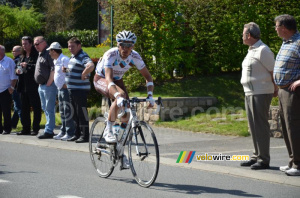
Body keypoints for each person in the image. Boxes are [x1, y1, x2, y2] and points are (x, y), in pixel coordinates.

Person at [94, 30, 154, 168]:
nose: (125, 49)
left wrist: (150, 96)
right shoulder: (111, 54)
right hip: (102, 79)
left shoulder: (135, 56)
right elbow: (109, 78)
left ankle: (119, 150)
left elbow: (148, 77)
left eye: (129, 45)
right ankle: (108, 130)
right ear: (118, 45)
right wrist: (116, 95)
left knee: (126, 115)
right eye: (122, 45)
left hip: (118, 80)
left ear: (133, 46)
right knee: (120, 96)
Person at [239, 22, 277, 170]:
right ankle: (256, 155)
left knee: (260, 125)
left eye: (243, 34)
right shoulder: (251, 50)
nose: (242, 37)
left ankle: (264, 159)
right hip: (250, 92)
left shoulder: (263, 50)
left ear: (249, 35)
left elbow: (274, 71)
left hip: (261, 92)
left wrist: (275, 88)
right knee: (253, 126)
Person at [273, 14, 300, 176]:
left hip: (293, 92)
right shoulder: (286, 43)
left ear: (283, 28)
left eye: (276, 26)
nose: (275, 30)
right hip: (283, 90)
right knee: (286, 127)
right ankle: (292, 160)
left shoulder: (298, 42)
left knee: (294, 127)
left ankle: (298, 165)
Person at [65, 37, 95, 143]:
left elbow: (91, 65)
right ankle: (77, 134)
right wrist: (67, 70)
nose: (70, 48)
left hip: (80, 89)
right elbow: (75, 68)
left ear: (79, 46)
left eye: (72, 46)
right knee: (74, 113)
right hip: (72, 89)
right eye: (69, 46)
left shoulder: (83, 55)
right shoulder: (73, 56)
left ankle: (85, 135)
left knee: (81, 113)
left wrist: (84, 73)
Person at [47, 42, 76, 141]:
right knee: (62, 111)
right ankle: (63, 131)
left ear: (54, 51)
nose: (49, 53)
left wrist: (67, 84)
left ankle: (69, 132)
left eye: (50, 51)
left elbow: (71, 72)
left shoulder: (64, 59)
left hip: (65, 89)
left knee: (67, 111)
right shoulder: (56, 61)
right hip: (60, 88)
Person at [16, 36, 42, 136]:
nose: (24, 46)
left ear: (31, 44)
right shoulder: (22, 56)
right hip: (23, 86)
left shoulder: (36, 55)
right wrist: (18, 69)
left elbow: (38, 67)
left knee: (36, 107)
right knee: (24, 108)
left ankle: (35, 128)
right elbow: (18, 65)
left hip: (33, 85)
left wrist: (28, 66)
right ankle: (25, 128)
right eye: (23, 44)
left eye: (26, 44)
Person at [34, 36, 57, 139]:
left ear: (44, 42)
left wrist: (49, 82)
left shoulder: (48, 53)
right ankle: (49, 129)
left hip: (48, 86)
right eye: (34, 44)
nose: (35, 46)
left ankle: (49, 130)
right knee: (45, 108)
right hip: (42, 86)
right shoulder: (40, 53)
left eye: (37, 44)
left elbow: (54, 68)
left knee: (49, 108)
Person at [0, 45, 18, 135]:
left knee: (6, 110)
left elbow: (13, 76)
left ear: (2, 51)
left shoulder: (9, 61)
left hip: (5, 90)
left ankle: (7, 128)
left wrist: (12, 87)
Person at [11, 45, 22, 129]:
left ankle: (24, 124)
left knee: (18, 106)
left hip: (16, 86)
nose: (12, 52)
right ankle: (13, 124)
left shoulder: (17, 60)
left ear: (19, 51)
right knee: (16, 106)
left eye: (14, 51)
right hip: (17, 86)